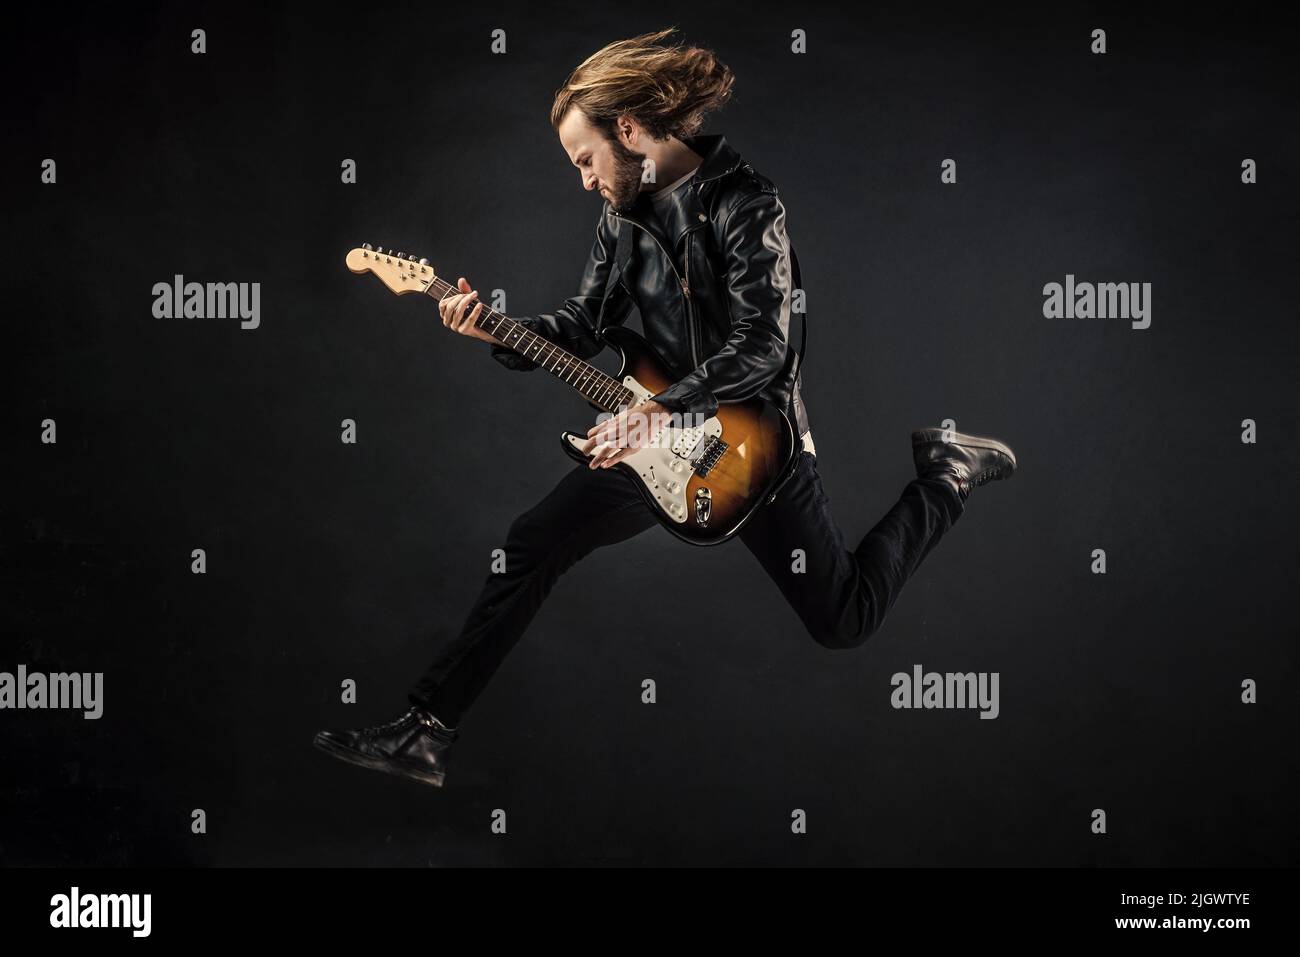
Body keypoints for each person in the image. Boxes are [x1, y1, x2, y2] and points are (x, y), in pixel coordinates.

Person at [313, 28, 1017, 789]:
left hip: (752, 446)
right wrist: (489, 325)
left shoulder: (746, 202)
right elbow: (581, 326)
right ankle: (427, 732)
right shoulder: (621, 217)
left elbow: (766, 346)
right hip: (643, 436)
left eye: (584, 159)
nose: (583, 180)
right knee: (535, 541)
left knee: (842, 619)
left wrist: (665, 409)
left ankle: (946, 476)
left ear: (627, 130)